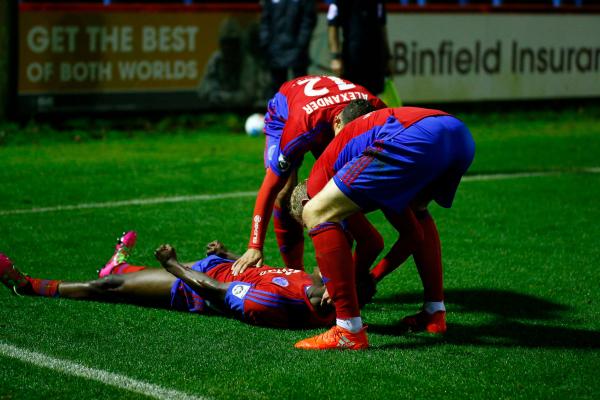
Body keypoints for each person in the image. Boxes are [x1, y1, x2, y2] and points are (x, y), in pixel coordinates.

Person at [294, 101, 476, 350]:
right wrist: (370, 278)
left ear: (306, 197)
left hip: (414, 136)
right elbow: (412, 234)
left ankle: (348, 331)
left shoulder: (318, 178)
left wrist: (338, 287)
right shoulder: (367, 165)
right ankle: (435, 312)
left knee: (318, 213)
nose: (310, 231)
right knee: (418, 210)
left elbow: (363, 238)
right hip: (458, 134)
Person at [0, 232, 334, 329]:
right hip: (213, 266)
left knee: (110, 290)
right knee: (130, 278)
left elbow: (216, 292)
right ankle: (117, 265)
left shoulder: (274, 305)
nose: (324, 261)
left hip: (193, 287)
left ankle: (27, 285)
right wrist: (230, 254)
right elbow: (267, 274)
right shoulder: (309, 282)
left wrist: (174, 266)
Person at [232, 75, 386, 274]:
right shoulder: (302, 127)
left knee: (339, 190)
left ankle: (339, 272)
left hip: (325, 112)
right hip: (287, 116)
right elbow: (270, 186)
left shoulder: (378, 110)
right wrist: (255, 246)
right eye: (347, 138)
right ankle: (296, 273)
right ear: (338, 122)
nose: (350, 146)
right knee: (283, 192)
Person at [327, 0, 392, 95]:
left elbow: (382, 27)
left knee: (374, 97)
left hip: (376, 57)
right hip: (352, 57)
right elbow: (332, 25)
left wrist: (387, 57)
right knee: (353, 95)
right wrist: (335, 57)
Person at [259, 0, 317, 95]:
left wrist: (301, 43)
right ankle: (279, 109)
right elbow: (265, 20)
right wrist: (265, 43)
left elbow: (308, 20)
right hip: (275, 48)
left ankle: (299, 109)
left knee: (300, 87)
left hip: (297, 48)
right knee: (277, 88)